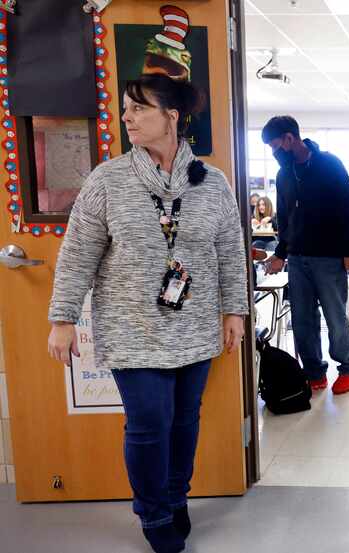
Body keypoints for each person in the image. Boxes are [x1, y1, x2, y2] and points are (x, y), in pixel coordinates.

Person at [46, 73, 248, 553]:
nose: (126, 117)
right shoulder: (108, 180)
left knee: (184, 420)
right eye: (126, 109)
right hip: (131, 328)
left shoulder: (212, 181)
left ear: (171, 117)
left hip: (195, 328)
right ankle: (154, 513)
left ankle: (176, 496)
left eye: (138, 108)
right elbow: (78, 254)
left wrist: (234, 310)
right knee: (148, 423)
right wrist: (63, 317)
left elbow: (229, 249)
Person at [261, 115, 349, 395]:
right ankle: (314, 370)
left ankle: (348, 368)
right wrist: (280, 252)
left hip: (328, 256)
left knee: (335, 315)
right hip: (298, 258)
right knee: (303, 318)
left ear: (290, 139)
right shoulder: (284, 174)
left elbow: (347, 210)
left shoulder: (329, 164)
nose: (274, 152)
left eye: (274, 145)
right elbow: (285, 215)